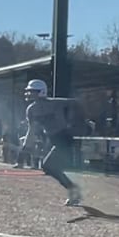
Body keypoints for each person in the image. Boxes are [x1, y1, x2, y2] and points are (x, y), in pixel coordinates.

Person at [23, 79, 83, 207]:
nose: (29, 94)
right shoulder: (31, 109)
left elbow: (76, 103)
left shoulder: (56, 103)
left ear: (41, 92)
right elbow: (31, 129)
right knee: (50, 167)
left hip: (63, 137)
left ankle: (73, 190)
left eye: (32, 91)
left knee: (48, 166)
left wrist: (77, 122)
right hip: (52, 139)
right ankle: (73, 189)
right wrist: (26, 146)